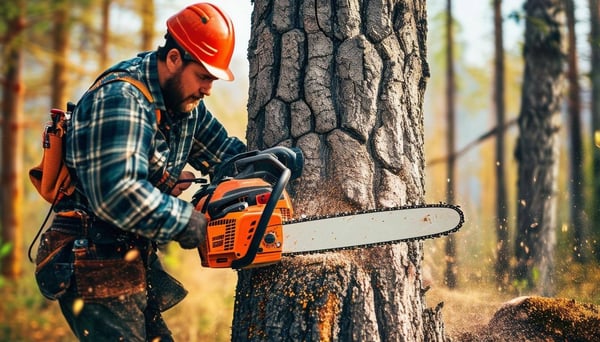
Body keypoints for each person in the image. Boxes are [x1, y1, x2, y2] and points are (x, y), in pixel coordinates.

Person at [35, 3, 246, 341]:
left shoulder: (184, 103)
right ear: (175, 58)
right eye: (204, 76)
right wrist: (186, 221)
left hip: (129, 255)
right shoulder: (123, 99)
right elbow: (116, 193)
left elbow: (224, 153)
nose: (208, 88)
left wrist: (268, 165)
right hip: (91, 256)